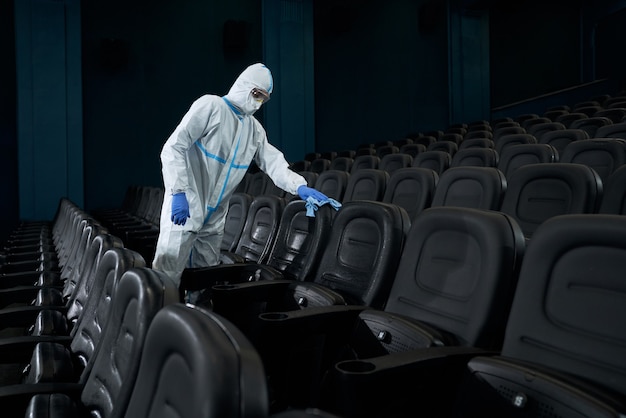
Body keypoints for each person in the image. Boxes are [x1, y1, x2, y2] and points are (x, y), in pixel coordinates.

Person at [152, 63, 329, 287]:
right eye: (256, 94)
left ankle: (198, 319)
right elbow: (173, 148)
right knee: (165, 279)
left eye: (263, 98)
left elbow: (273, 162)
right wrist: (178, 192)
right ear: (244, 85)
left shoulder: (253, 130)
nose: (257, 102)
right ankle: (159, 321)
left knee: (205, 280)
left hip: (214, 220)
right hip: (185, 208)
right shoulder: (211, 106)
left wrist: (300, 187)